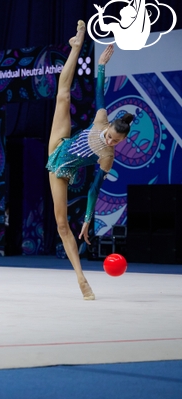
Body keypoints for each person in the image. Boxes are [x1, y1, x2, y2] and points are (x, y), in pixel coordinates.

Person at [47, 23, 132, 300]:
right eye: (110, 137)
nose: (109, 142)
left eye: (115, 142)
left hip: (61, 170)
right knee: (64, 94)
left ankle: (82, 280)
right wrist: (102, 65)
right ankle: (75, 46)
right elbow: (99, 91)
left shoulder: (108, 157)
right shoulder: (101, 119)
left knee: (62, 226)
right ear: (107, 127)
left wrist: (86, 220)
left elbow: (94, 188)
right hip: (60, 143)